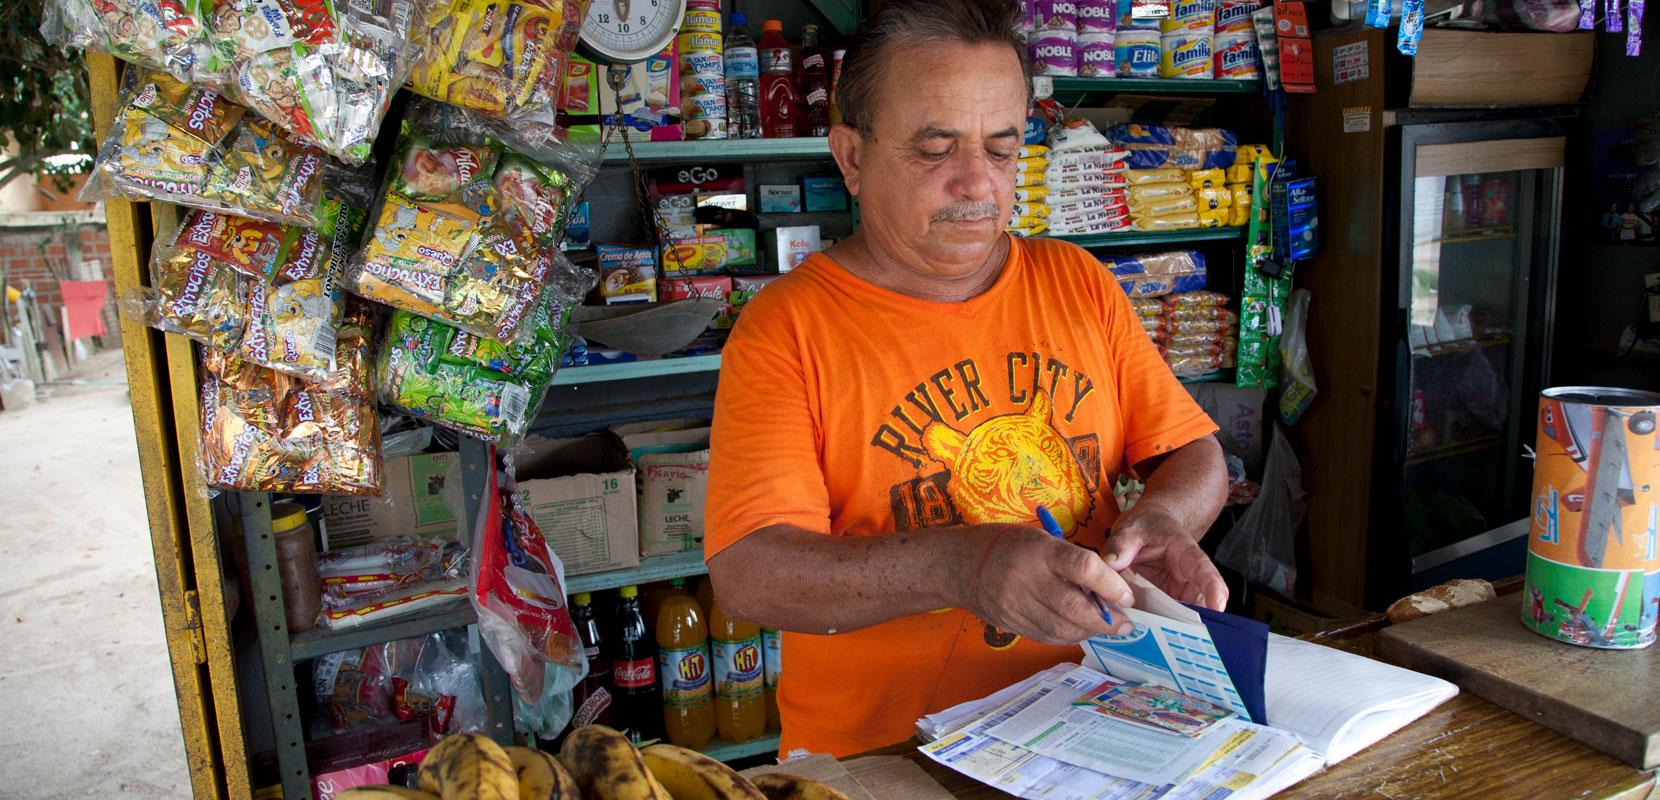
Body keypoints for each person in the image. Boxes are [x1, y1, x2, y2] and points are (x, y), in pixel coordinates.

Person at [704, 0, 1229, 757]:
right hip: (888, 762)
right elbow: (751, 572)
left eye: (1002, 148)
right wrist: (966, 566)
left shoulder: (1076, 282)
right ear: (851, 156)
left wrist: (1167, 520)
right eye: (934, 149)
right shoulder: (787, 326)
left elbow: (1193, 452)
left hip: (1096, 729)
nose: (977, 184)